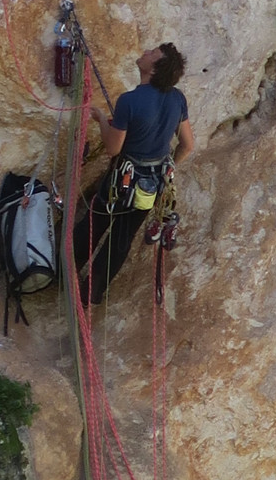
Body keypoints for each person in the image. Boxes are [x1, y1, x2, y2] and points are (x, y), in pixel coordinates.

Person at [73, 43, 196, 306]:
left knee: (94, 225)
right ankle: (90, 293)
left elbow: (112, 148)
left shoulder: (129, 101)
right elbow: (187, 145)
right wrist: (168, 168)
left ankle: (66, 271)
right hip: (151, 187)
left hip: (121, 181)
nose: (147, 51)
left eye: (153, 53)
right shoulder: (178, 99)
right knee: (122, 238)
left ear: (155, 67)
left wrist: (103, 121)